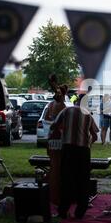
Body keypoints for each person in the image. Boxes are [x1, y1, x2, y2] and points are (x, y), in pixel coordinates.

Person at [50, 94, 99, 219]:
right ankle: (80, 212)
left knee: (67, 180)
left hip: (69, 149)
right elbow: (95, 136)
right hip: (83, 151)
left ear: (76, 101)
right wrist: (88, 144)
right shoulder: (88, 114)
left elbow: (53, 126)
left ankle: (63, 211)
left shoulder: (67, 110)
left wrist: (63, 131)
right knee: (83, 181)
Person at [45, 76, 68, 213]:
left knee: (53, 167)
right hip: (60, 137)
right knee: (58, 169)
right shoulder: (63, 106)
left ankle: (52, 195)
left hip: (51, 136)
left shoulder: (51, 105)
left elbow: (47, 117)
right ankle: (57, 196)